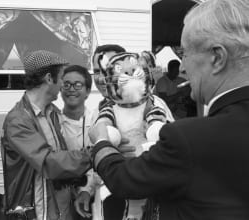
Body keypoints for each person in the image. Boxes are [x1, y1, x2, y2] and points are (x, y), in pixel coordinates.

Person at [89, 0, 249, 219]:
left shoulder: (187, 139)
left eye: (184, 54)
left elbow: (124, 181)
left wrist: (101, 142)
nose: (181, 66)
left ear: (217, 57)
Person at [1, 50, 91, 220]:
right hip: (35, 211)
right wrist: (93, 155)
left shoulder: (53, 113)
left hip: (60, 209)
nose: (63, 83)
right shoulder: (18, 120)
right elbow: (49, 163)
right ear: (49, 78)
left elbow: (64, 157)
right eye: (62, 77)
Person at [59, 65, 94, 219]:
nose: (71, 89)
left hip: (92, 194)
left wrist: (87, 189)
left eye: (78, 85)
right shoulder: (53, 123)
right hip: (62, 195)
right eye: (66, 84)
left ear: (87, 91)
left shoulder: (97, 120)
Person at [92, 44, 126, 109]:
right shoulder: (94, 114)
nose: (101, 79)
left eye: (108, 70)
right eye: (97, 72)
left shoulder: (145, 110)